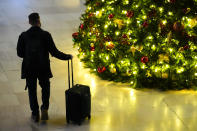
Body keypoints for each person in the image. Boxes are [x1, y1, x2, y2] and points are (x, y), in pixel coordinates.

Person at [17, 12, 72, 122]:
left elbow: (20, 53)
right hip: (43, 67)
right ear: (39, 21)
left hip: (29, 68)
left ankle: (35, 113)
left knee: (32, 90)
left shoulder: (23, 36)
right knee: (45, 88)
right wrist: (67, 57)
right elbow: (54, 52)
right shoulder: (46, 35)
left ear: (29, 22)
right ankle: (45, 109)